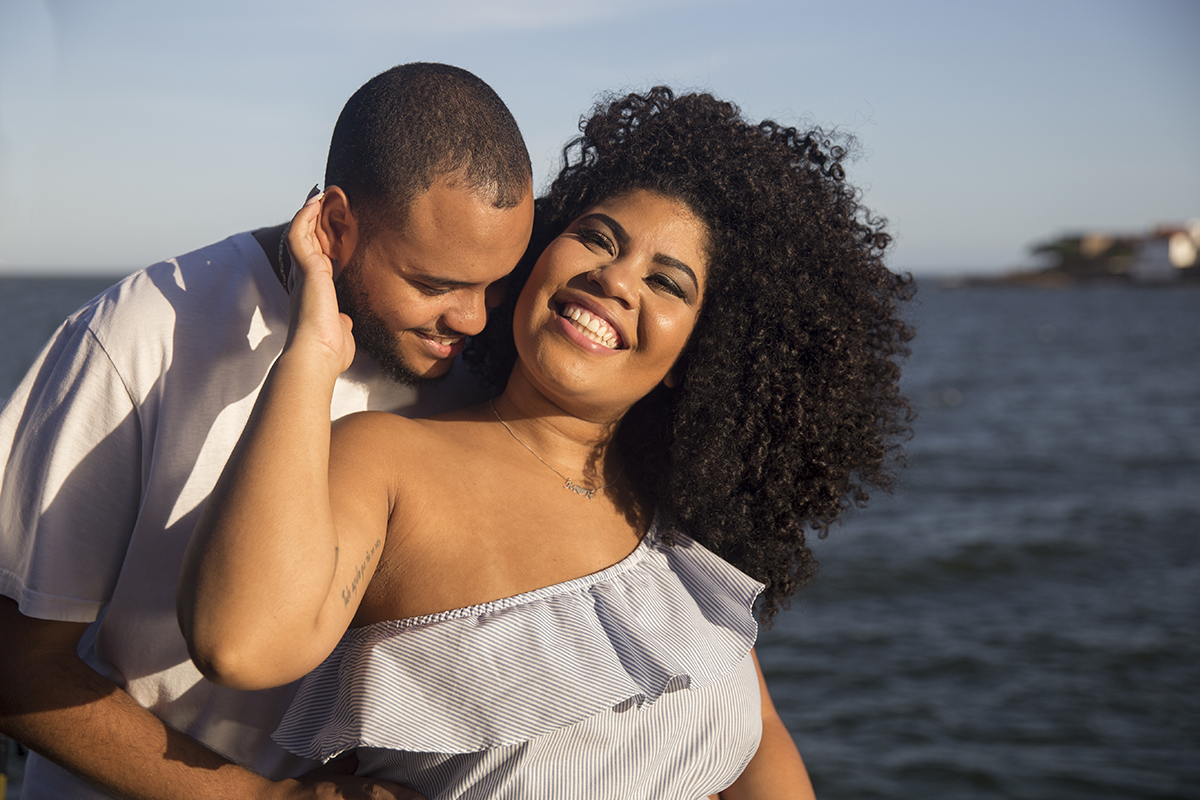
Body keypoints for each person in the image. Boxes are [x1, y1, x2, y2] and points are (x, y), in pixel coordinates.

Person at [179, 88, 914, 798]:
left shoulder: (673, 526)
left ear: (696, 357)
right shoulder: (387, 460)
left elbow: (759, 748)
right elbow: (239, 643)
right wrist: (311, 351)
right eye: (598, 238)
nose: (614, 280)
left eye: (668, 283)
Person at [0, 62, 533, 800]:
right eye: (435, 285)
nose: (472, 320)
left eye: (494, 284)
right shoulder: (143, 336)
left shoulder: (489, 358)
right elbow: (16, 660)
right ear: (337, 225)